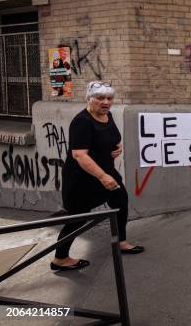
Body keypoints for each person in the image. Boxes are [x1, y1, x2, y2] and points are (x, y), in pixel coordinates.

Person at [51, 81, 144, 271]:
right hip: (82, 179)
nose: (106, 102)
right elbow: (79, 155)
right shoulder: (82, 121)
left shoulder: (106, 116)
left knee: (120, 202)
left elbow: (109, 137)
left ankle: (121, 242)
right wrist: (102, 176)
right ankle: (60, 258)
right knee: (78, 218)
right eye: (100, 98)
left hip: (106, 171)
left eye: (109, 98)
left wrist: (117, 146)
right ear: (89, 98)